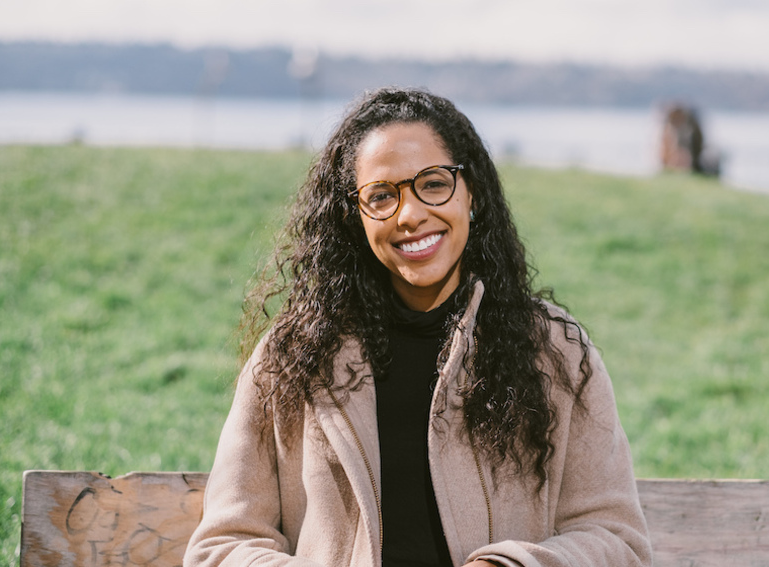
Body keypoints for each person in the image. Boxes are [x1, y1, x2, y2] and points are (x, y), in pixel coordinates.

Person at [184, 87, 652, 567]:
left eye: (433, 183)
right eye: (382, 196)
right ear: (354, 217)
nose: (410, 215)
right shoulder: (292, 358)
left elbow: (616, 540)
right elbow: (221, 547)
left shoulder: (555, 352)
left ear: (473, 193)